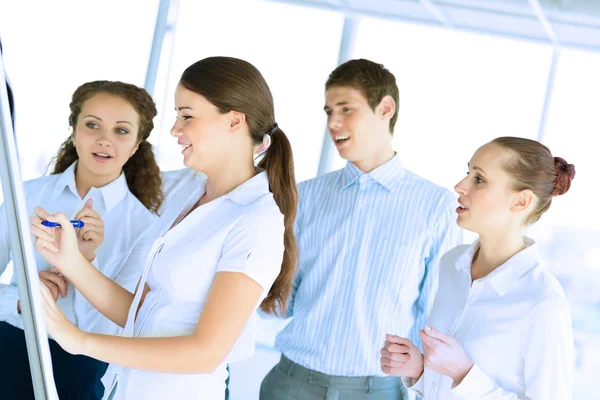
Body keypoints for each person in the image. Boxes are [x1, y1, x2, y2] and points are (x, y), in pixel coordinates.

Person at [32, 56, 298, 400]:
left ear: (234, 121)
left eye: (187, 116)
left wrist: (77, 340)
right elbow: (139, 313)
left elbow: (206, 353)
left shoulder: (255, 220)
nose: (174, 129)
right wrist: (70, 261)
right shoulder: (188, 197)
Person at [261, 59, 461, 399]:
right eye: (328, 112)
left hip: (378, 391)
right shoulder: (305, 196)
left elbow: (436, 315)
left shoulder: (436, 207)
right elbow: (282, 302)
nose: (333, 123)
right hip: (291, 384)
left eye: (346, 109)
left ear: (385, 108)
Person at [0, 80, 163, 399]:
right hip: (8, 345)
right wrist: (24, 301)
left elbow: (120, 323)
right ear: (73, 132)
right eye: (92, 125)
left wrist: (85, 263)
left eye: (121, 131)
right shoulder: (26, 196)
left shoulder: (146, 228)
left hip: (83, 367)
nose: (104, 140)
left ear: (136, 144)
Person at [380, 137, 575, 399]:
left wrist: (464, 373)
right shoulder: (452, 264)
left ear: (521, 202)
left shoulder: (543, 301)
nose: (459, 186)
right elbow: (443, 386)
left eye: (479, 179)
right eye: (467, 172)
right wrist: (419, 371)